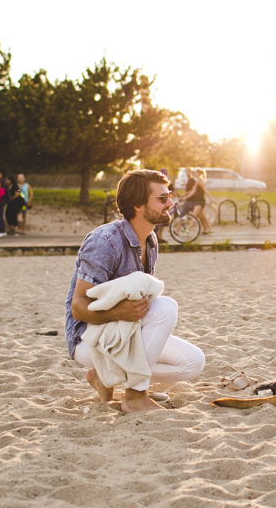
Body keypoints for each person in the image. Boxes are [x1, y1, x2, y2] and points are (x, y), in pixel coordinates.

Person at [65, 169, 205, 412]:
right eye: (162, 199)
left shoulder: (150, 240)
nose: (170, 203)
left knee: (193, 363)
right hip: (88, 339)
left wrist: (127, 314)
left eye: (169, 195)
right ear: (138, 206)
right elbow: (78, 308)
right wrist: (118, 313)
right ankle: (135, 396)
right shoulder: (105, 242)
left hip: (125, 331)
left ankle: (102, 376)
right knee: (166, 307)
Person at [183, 168, 215, 235]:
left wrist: (211, 199)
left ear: (199, 173)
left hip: (200, 201)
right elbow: (193, 192)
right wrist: (186, 197)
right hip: (197, 201)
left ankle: (188, 230)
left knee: (194, 215)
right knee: (203, 217)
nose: (194, 173)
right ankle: (210, 230)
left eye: (195, 172)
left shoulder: (201, 182)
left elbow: (206, 191)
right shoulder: (197, 182)